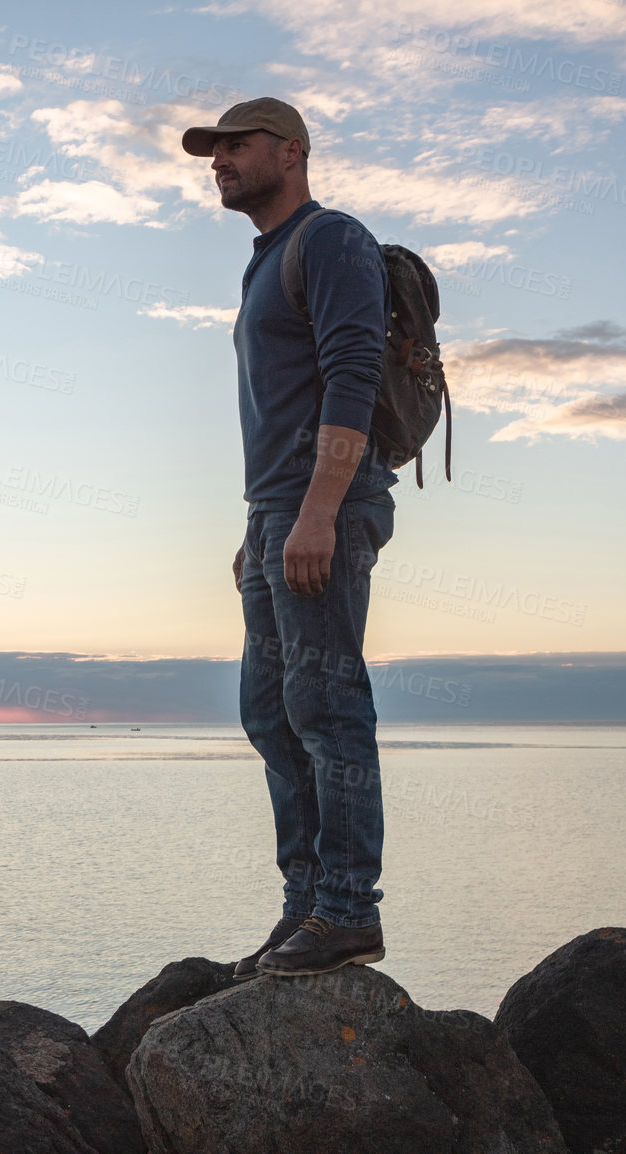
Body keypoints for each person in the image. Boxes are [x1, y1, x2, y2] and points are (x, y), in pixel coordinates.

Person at [182, 98, 396, 978]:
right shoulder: (263, 262)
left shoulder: (332, 240)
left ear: (292, 151)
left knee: (326, 709)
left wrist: (315, 509)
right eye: (213, 151)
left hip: (326, 508)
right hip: (274, 513)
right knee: (269, 714)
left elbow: (354, 373)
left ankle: (348, 911)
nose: (219, 160)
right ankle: (305, 906)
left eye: (237, 145)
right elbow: (277, 408)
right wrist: (260, 521)